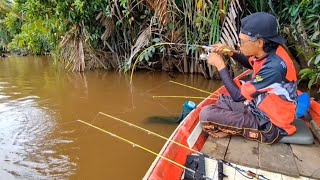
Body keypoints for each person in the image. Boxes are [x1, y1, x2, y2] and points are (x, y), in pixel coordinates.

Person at [199, 12, 298, 144]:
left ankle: (238, 129)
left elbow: (238, 96)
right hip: (259, 108)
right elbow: (249, 62)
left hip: (272, 124)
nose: (239, 45)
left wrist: (220, 65)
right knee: (222, 100)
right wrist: (230, 52)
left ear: (259, 42)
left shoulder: (274, 68)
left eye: (242, 41)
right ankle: (233, 126)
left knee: (206, 115)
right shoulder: (269, 52)